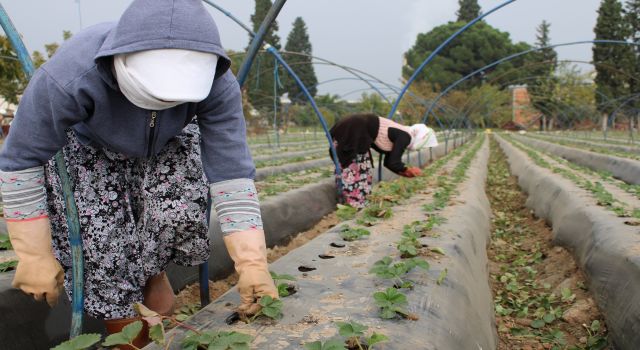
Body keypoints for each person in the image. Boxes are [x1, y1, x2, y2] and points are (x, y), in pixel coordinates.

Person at [0, 0, 277, 347]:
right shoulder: (69, 75)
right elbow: (21, 160)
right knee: (105, 248)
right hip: (88, 148)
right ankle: (130, 334)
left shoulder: (217, 84)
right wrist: (33, 254)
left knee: (173, 218)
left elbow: (231, 173)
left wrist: (252, 263)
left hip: (168, 142)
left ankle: (154, 275)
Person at [329, 113, 437, 208]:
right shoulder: (405, 136)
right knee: (354, 169)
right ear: (420, 139)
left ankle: (355, 202)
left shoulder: (403, 133)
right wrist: (408, 170)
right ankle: (354, 204)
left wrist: (404, 172)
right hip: (355, 129)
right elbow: (394, 162)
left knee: (359, 169)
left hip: (354, 128)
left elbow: (389, 162)